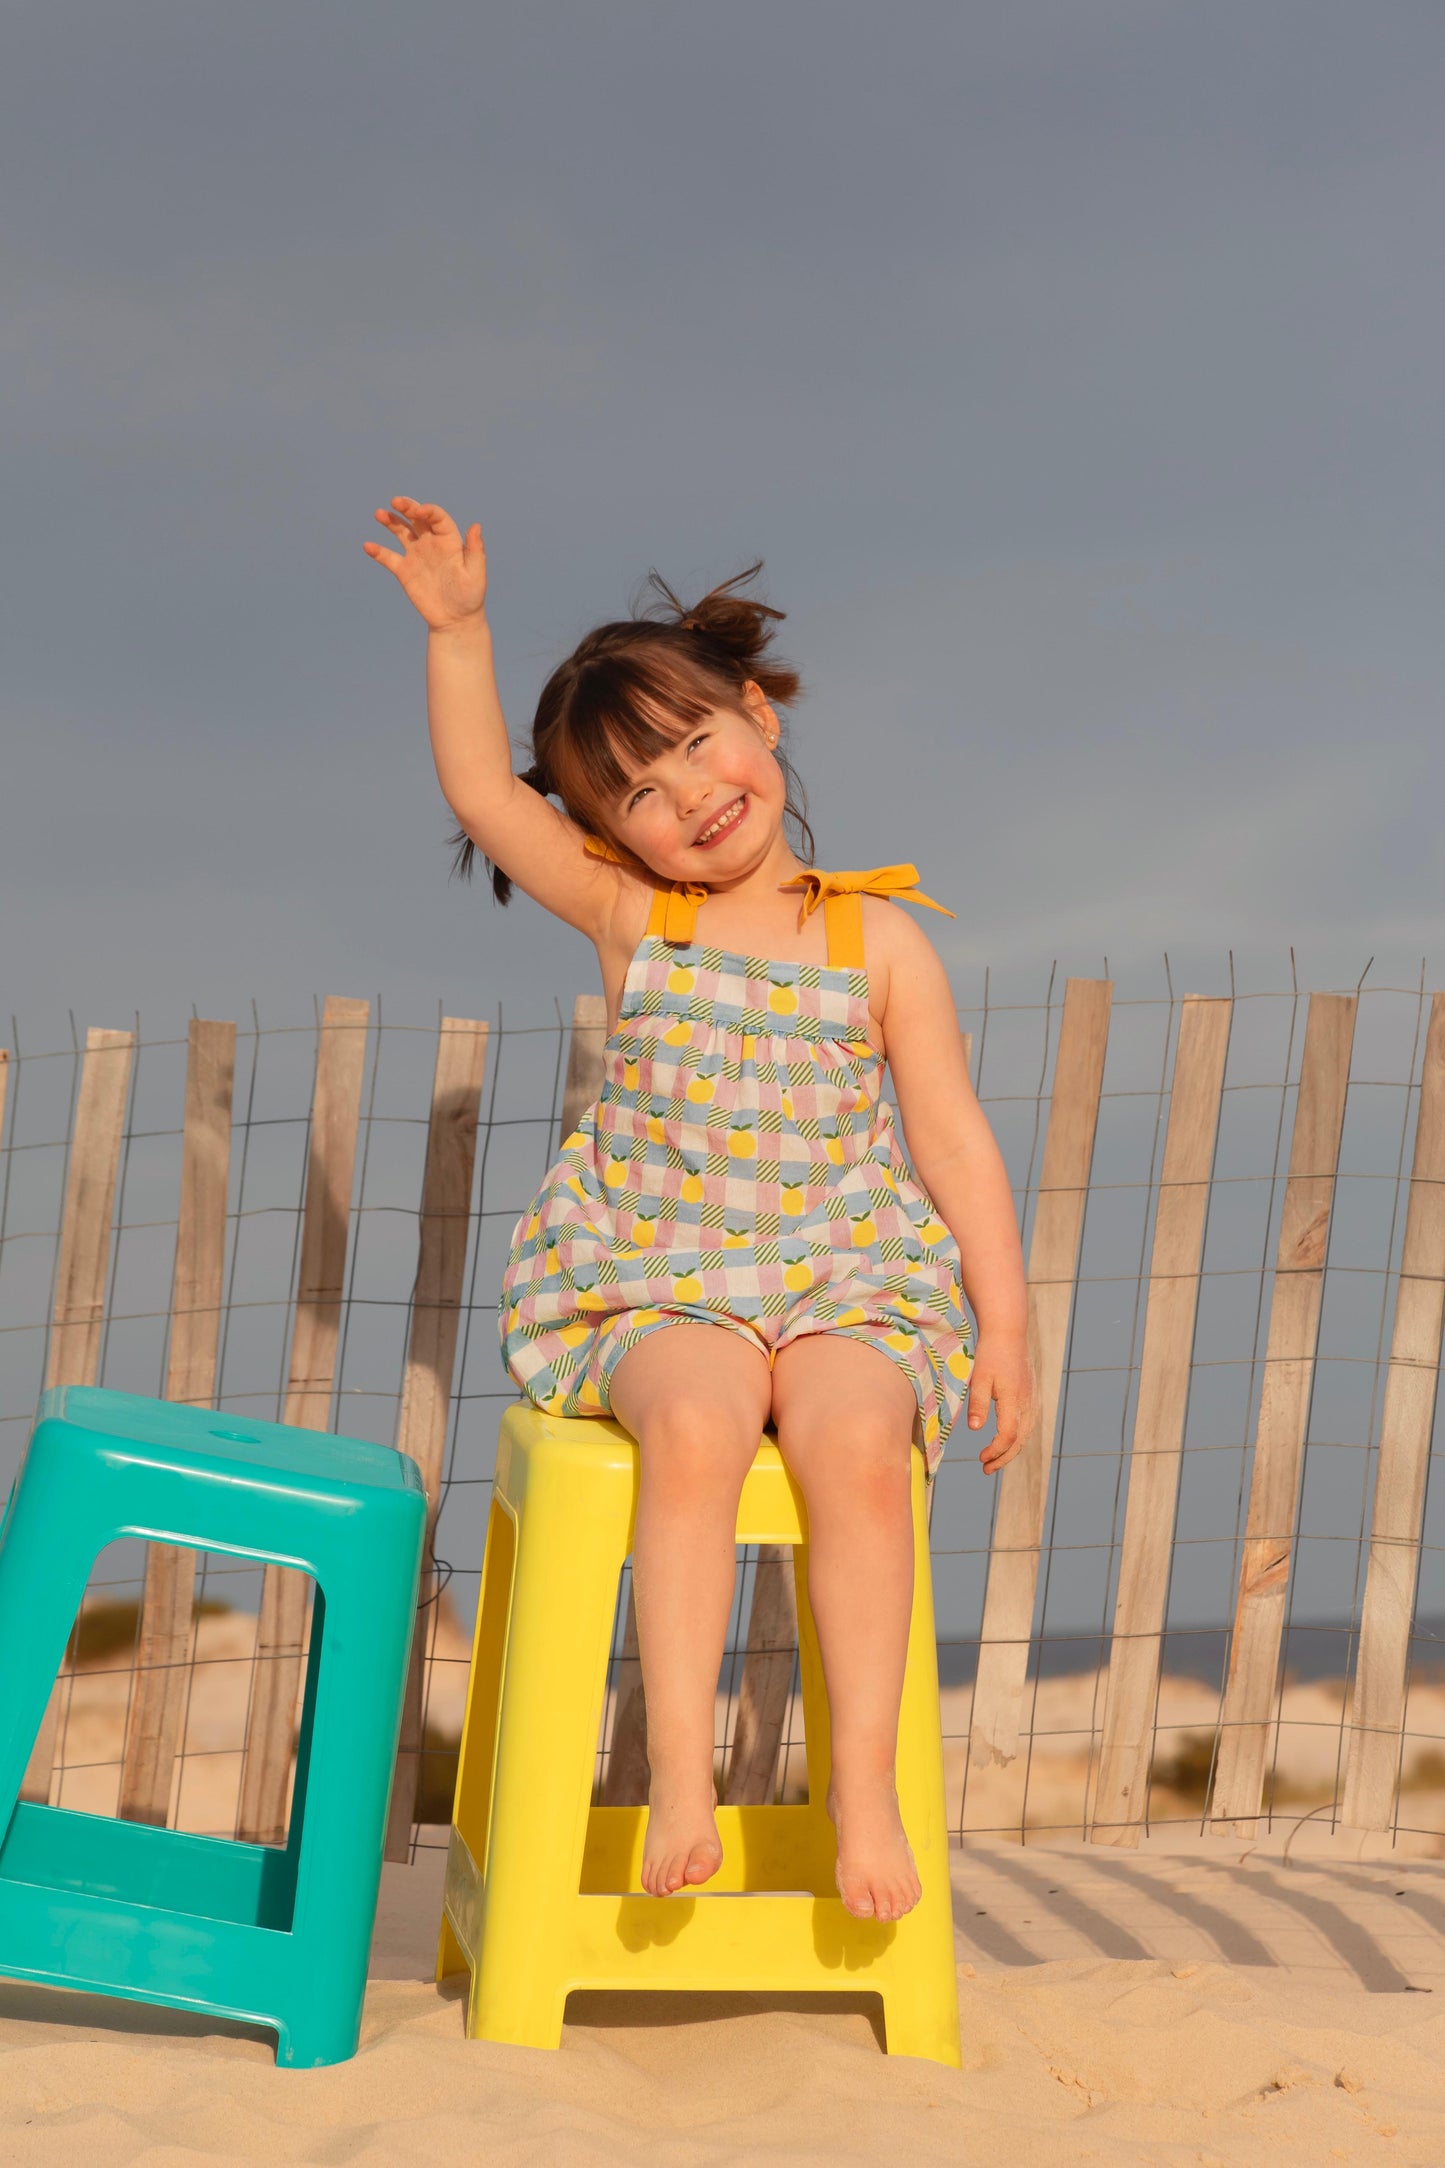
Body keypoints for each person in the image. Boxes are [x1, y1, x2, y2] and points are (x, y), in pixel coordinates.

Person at [365, 498, 1034, 1922]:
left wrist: (1008, 1323)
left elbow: (953, 1141)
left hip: (849, 1274)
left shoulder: (877, 939)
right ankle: (677, 1770)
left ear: (753, 715)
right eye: (637, 795)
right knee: (694, 1423)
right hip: (657, 1274)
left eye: (689, 743)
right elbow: (487, 796)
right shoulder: (632, 917)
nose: (686, 794)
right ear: (610, 837)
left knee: (857, 1439)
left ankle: (860, 1786)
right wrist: (460, 630)